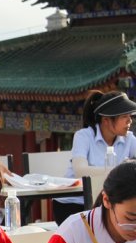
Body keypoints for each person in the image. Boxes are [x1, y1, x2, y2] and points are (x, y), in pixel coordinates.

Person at [53, 90, 136, 224]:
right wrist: (118, 171)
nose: (129, 121)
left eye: (130, 116)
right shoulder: (83, 136)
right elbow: (80, 170)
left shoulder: (129, 139)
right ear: (106, 120)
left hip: (103, 203)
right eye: (124, 116)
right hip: (72, 204)